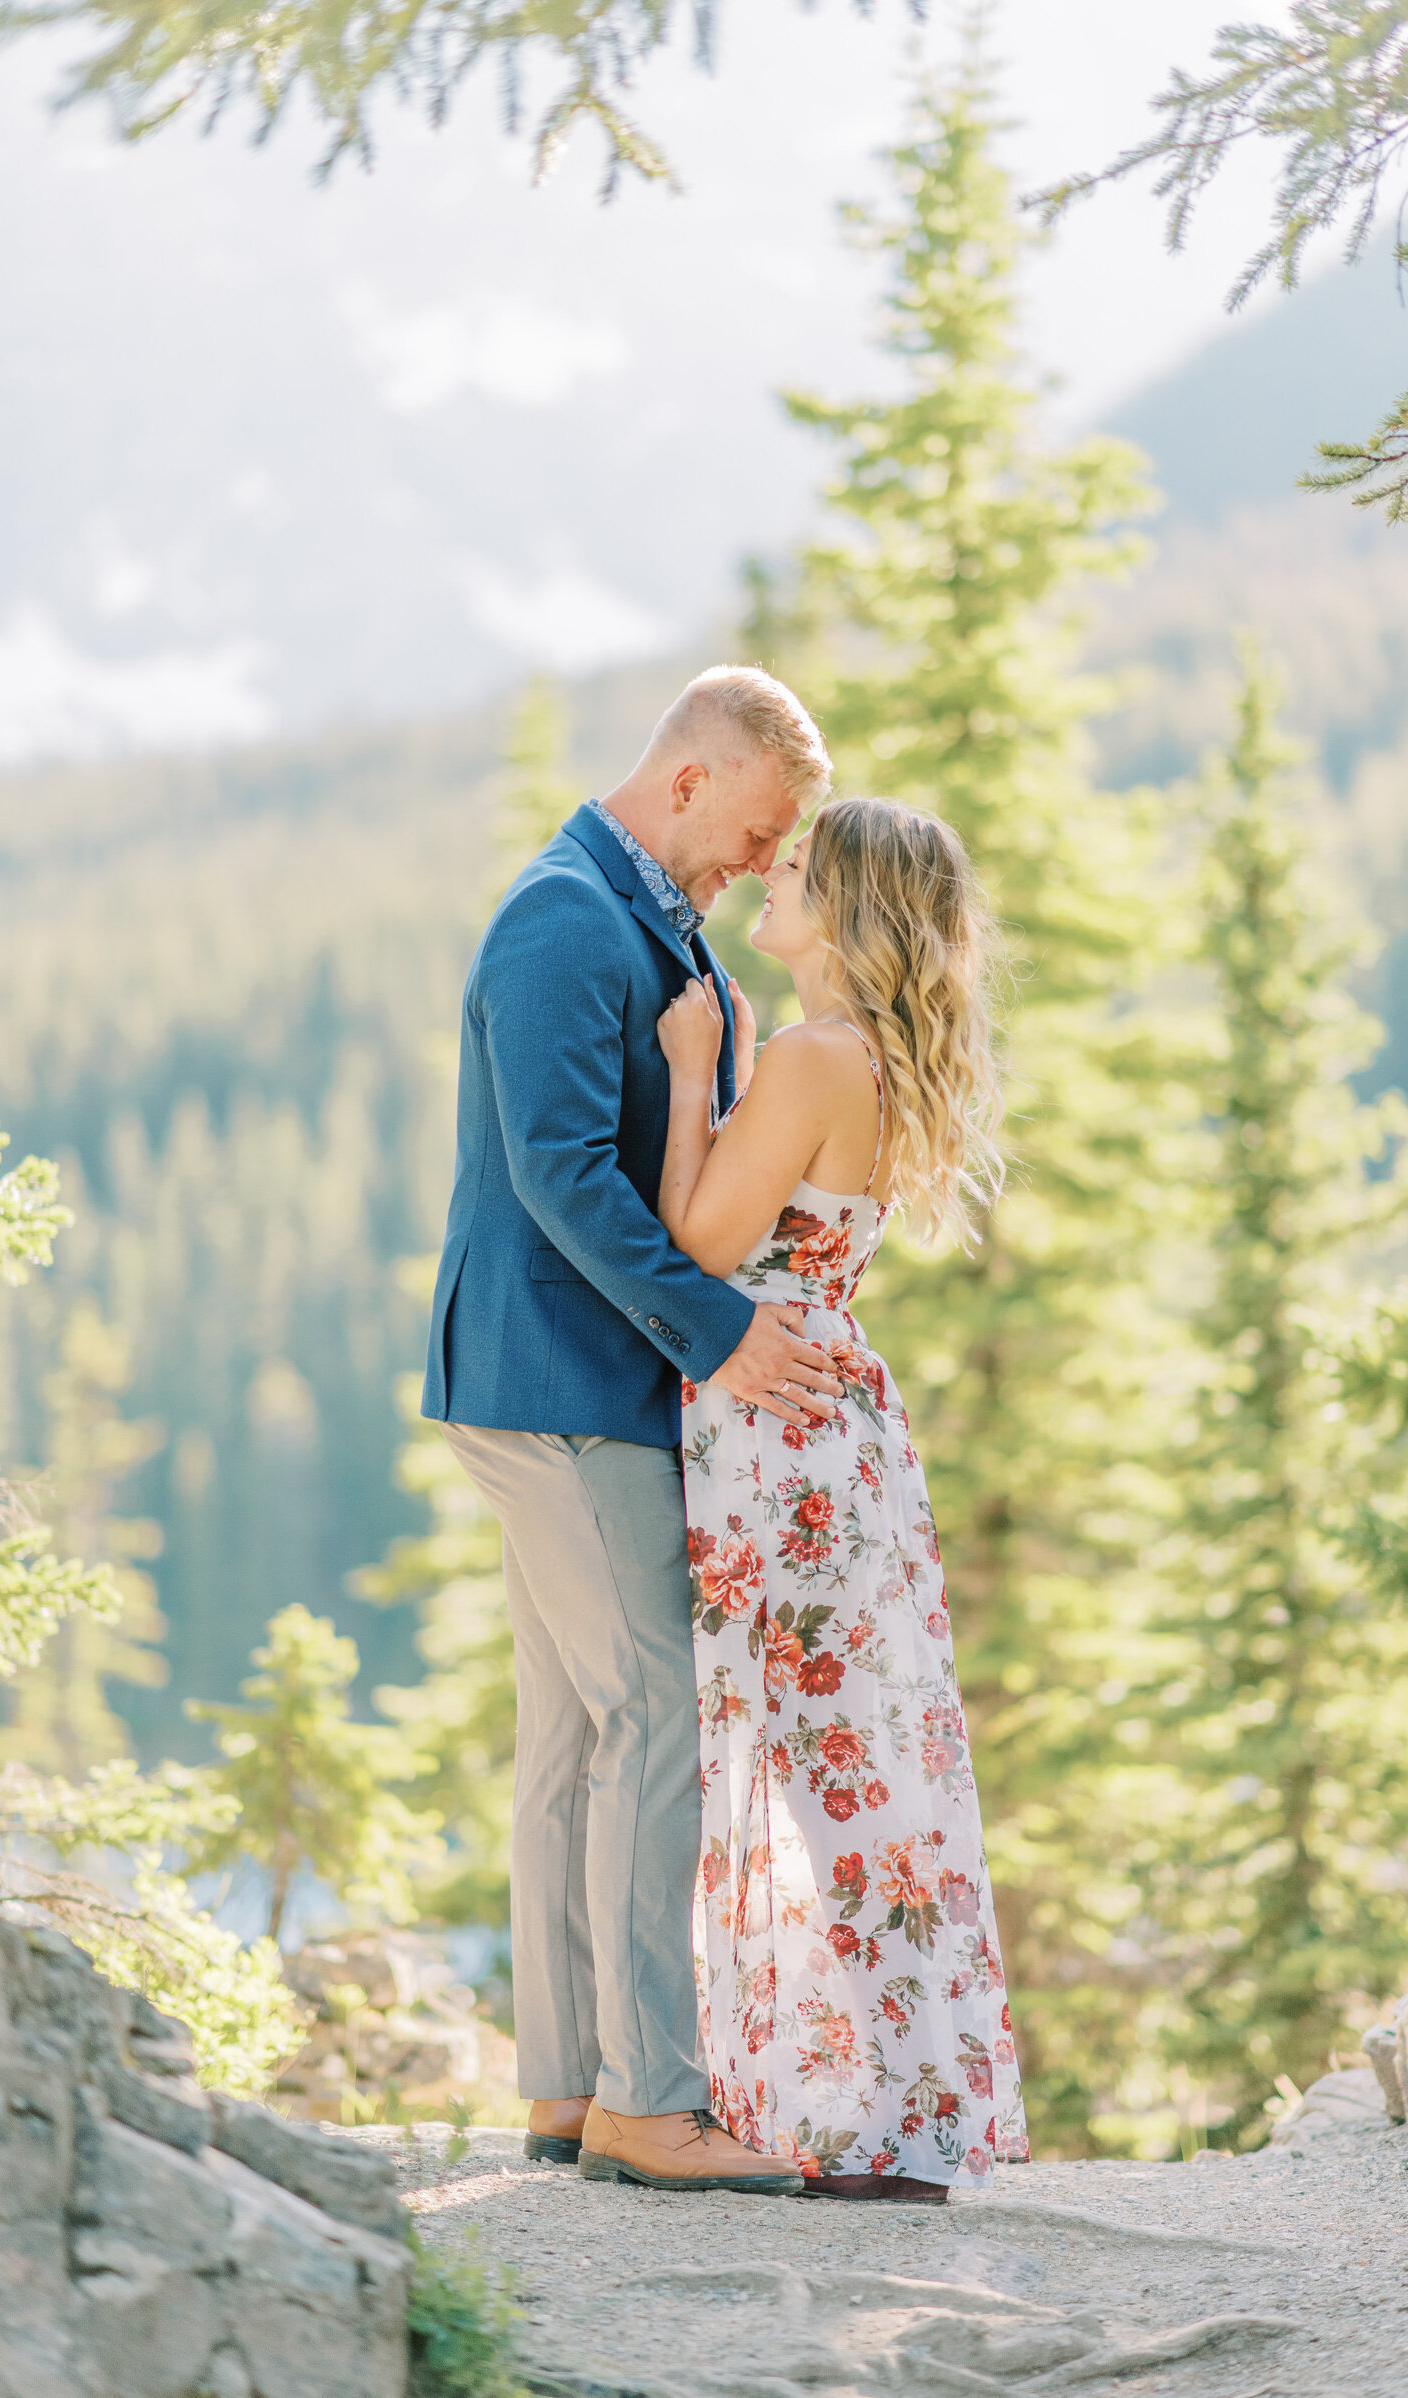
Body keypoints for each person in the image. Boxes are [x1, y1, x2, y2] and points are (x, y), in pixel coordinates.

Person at [422, 666, 844, 2194]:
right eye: (751, 829)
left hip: (567, 1381)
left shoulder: (644, 917)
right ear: (687, 783)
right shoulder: (558, 920)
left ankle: (568, 2088)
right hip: (562, 1387)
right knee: (654, 1716)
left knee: (570, 1741)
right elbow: (557, 1180)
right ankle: (652, 2102)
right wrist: (724, 1333)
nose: (754, 862)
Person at [657, 795, 1031, 2200]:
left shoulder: (814, 1056)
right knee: (868, 1767)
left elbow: (696, 1241)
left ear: (850, 908)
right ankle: (902, 2097)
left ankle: (889, 2116)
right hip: (836, 1425)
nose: (773, 877)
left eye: (799, 871)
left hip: (782, 1440)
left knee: (830, 1772)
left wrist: (698, 1070)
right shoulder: (858, 1057)